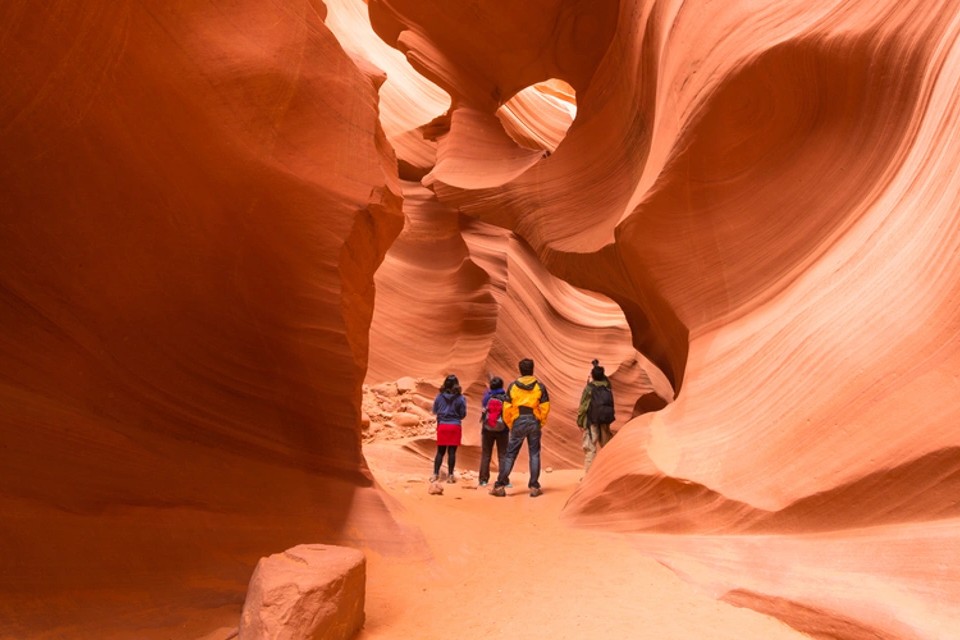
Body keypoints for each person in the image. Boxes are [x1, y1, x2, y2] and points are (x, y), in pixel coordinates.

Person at [490, 358, 551, 498]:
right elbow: (545, 407)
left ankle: (499, 486)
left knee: (510, 454)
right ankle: (534, 487)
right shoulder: (540, 387)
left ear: (520, 370)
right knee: (534, 454)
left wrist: (511, 423)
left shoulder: (513, 386)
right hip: (534, 420)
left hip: (518, 420)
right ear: (532, 369)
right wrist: (540, 422)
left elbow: (506, 407)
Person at [577, 359, 615, 473]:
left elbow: (583, 406)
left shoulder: (589, 388)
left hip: (592, 421)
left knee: (590, 448)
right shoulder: (607, 386)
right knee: (606, 446)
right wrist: (597, 367)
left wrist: (580, 421)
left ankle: (589, 475)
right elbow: (605, 379)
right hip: (604, 420)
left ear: (592, 376)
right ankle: (610, 472)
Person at [431, 374, 467, 483]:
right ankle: (450, 476)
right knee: (452, 452)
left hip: (442, 426)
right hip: (455, 426)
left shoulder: (439, 397)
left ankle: (435, 474)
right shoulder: (461, 398)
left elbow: (434, 411)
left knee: (440, 452)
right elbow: (463, 414)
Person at [478, 376, 510, 487]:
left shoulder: (487, 397)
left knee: (486, 454)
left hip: (487, 429)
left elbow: (484, 410)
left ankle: (483, 480)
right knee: (503, 455)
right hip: (503, 429)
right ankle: (503, 480)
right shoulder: (505, 398)